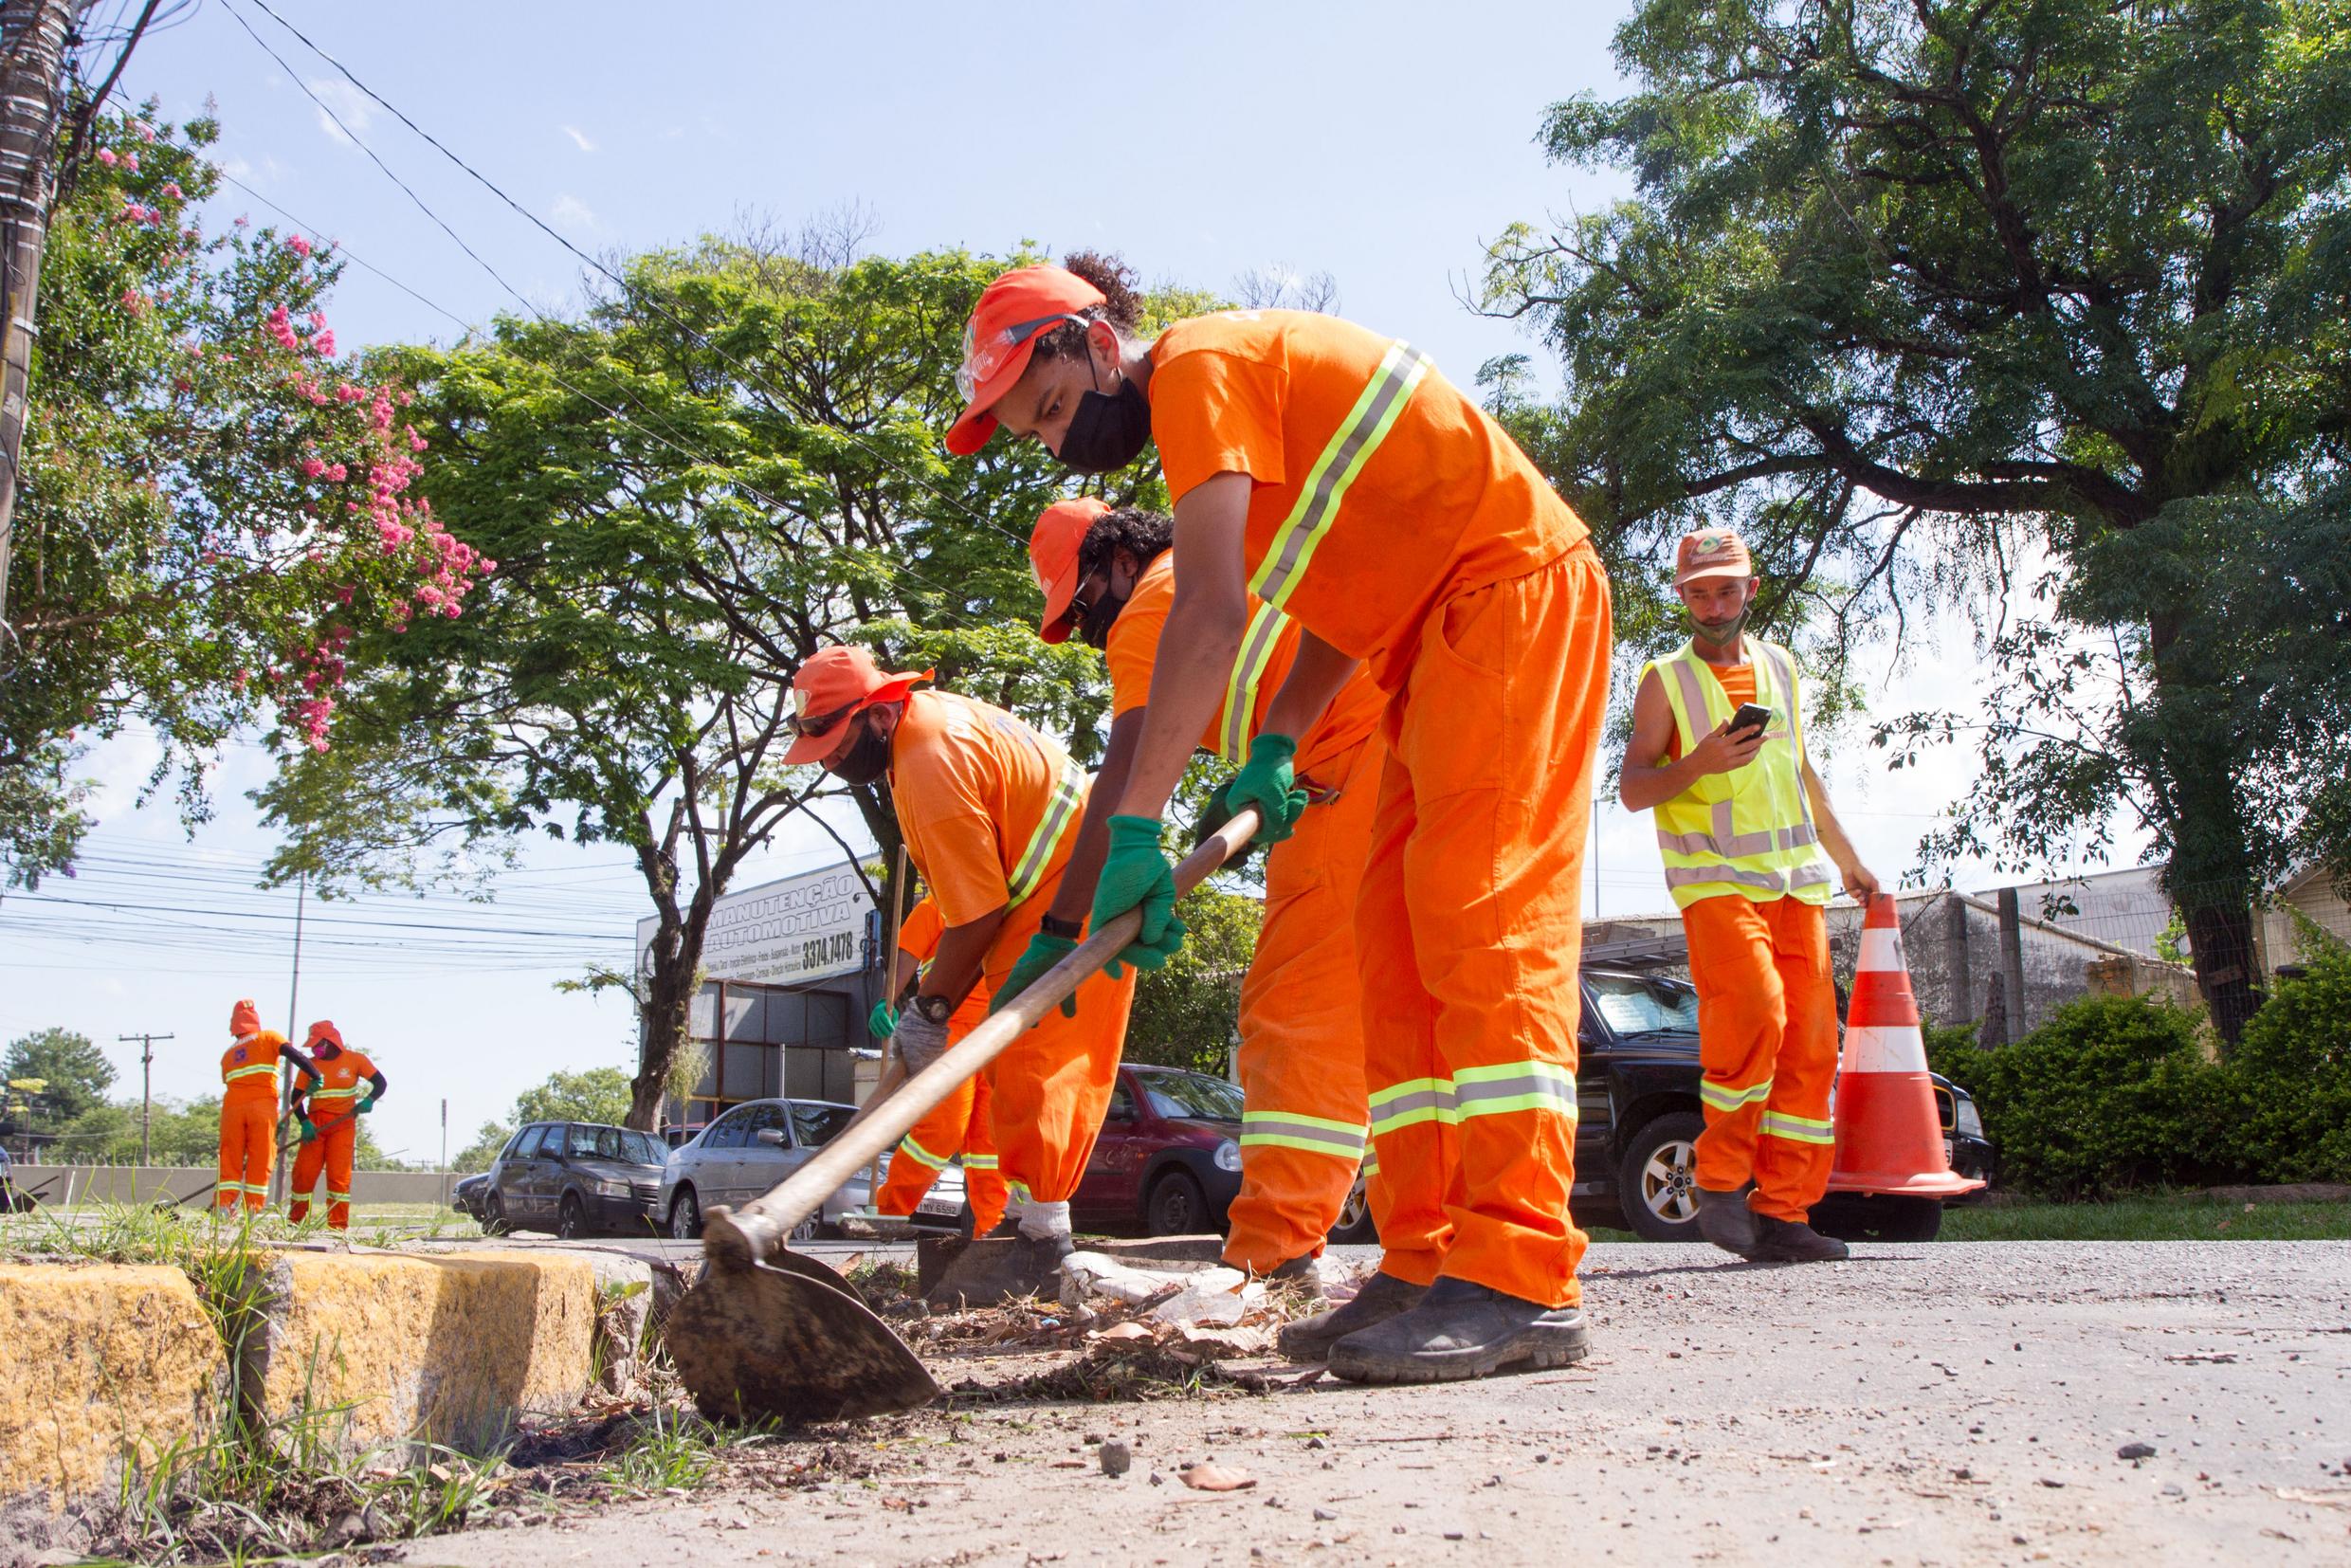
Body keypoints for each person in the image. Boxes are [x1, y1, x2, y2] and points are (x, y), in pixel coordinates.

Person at [945, 257, 1613, 1384]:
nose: (1060, 444)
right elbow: (1348, 595)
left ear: (1098, 342)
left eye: (1053, 407)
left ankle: (1521, 1273)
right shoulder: (1231, 423)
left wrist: (1135, 833)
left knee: (1479, 922)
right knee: (1394, 955)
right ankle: (1426, 1254)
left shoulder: (1201, 366)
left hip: (1507, 596)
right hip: (1424, 636)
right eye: (1036, 435)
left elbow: (1209, 611)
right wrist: (1273, 743)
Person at [998, 496, 1386, 1286]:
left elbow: (1123, 777)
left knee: (1294, 1010)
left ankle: (1280, 1250)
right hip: (1351, 755)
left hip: (1357, 750)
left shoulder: (1151, 605)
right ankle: (1428, 1243)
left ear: (1116, 562)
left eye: (1080, 611)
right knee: (1389, 1008)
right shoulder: (1216, 569)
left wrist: (1061, 927)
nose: (1086, 634)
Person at [779, 646, 1135, 1305]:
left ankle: (1044, 1243)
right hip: (1055, 886)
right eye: (817, 744)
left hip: (1074, 888)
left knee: (1037, 1060)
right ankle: (1030, 1233)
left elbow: (976, 917)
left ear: (877, 715)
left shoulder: (924, 762)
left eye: (833, 741)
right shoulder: (927, 728)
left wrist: (930, 1009)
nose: (826, 759)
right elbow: (962, 903)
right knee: (1017, 1069)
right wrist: (929, 1002)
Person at [1616, 528, 1880, 1264]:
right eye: (1697, 593)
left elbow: (1804, 772)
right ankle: (1722, 1181)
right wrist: (1697, 762)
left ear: (1751, 589)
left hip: (1799, 885)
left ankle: (1786, 1214)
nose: (1711, 606)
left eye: (1725, 590)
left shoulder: (1782, 668)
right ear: (1682, 597)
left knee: (1808, 1049)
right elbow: (1633, 789)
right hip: (1715, 886)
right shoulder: (1663, 680)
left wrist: (1850, 860)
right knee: (1755, 1019)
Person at [868, 895, 1008, 1237]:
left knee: (990, 1145)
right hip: (947, 1029)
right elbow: (908, 953)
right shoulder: (939, 903)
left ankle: (993, 1233)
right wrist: (887, 1001)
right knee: (942, 1130)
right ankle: (889, 1213)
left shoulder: (1011, 901)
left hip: (998, 1030)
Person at [217, 998, 317, 1217]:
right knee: (261, 1156)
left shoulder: (227, 1055)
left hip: (232, 1109)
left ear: (234, 1026)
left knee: (230, 1157)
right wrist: (315, 1075)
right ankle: (251, 1210)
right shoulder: (269, 1037)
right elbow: (296, 1056)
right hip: (261, 1107)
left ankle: (224, 1208)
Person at [287, 1019, 386, 1231]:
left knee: (339, 1179)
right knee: (303, 1176)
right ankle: (295, 1224)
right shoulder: (309, 1065)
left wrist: (369, 1100)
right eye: (312, 1045)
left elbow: (380, 1083)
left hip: (343, 1125)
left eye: (317, 1044)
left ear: (331, 1042)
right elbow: (295, 1097)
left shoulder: (355, 1060)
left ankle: (337, 1228)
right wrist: (304, 1123)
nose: (314, 1049)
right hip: (315, 1127)